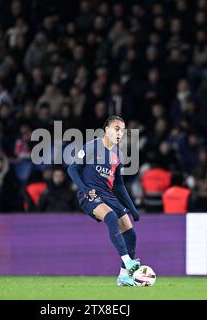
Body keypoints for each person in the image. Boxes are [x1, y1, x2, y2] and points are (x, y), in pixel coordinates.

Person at [67, 115, 141, 286]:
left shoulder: (118, 156)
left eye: (122, 131)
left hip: (108, 195)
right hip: (91, 194)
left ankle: (124, 275)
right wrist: (85, 189)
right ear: (106, 129)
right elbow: (72, 169)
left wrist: (132, 208)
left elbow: (119, 186)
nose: (120, 133)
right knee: (112, 218)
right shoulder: (91, 147)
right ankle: (128, 261)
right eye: (117, 129)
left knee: (131, 233)